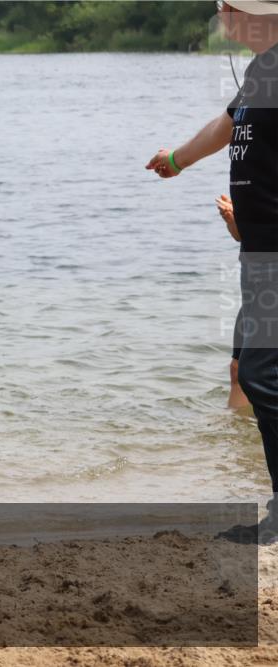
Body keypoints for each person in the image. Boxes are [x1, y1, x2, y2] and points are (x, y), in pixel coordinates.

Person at [146, 0, 278, 541]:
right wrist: (178, 159)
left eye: (225, 7)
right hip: (259, 255)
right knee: (251, 371)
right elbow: (227, 125)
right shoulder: (262, 70)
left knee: (263, 376)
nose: (220, 15)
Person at [216, 194, 251, 410]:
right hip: (253, 297)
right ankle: (239, 436)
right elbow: (241, 237)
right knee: (238, 371)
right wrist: (233, 221)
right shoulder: (254, 184)